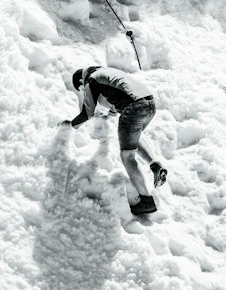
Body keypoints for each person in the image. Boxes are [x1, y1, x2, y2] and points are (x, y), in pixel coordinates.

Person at [64, 64, 167, 215]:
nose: (84, 92)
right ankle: (155, 165)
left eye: (82, 90)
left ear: (81, 82)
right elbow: (115, 103)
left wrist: (69, 125)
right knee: (131, 141)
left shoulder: (92, 80)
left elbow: (87, 113)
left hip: (134, 107)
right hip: (149, 103)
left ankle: (146, 201)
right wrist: (106, 114)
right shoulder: (108, 73)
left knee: (127, 156)